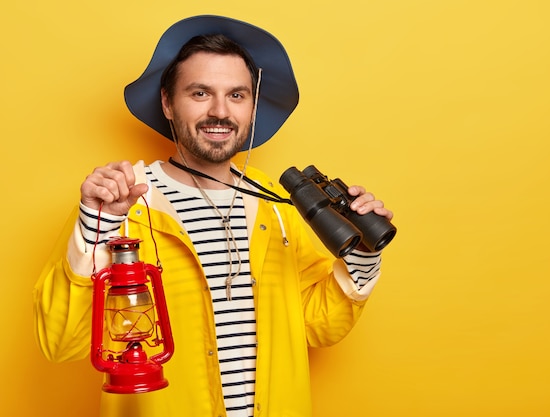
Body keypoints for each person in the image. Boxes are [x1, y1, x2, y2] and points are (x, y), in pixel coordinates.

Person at [34, 15, 394, 417]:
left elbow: (315, 325)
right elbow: (61, 341)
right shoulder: (120, 201)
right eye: (201, 93)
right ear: (168, 103)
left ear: (252, 106)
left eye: (237, 95)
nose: (220, 112)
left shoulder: (276, 203)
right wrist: (95, 225)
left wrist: (361, 253)